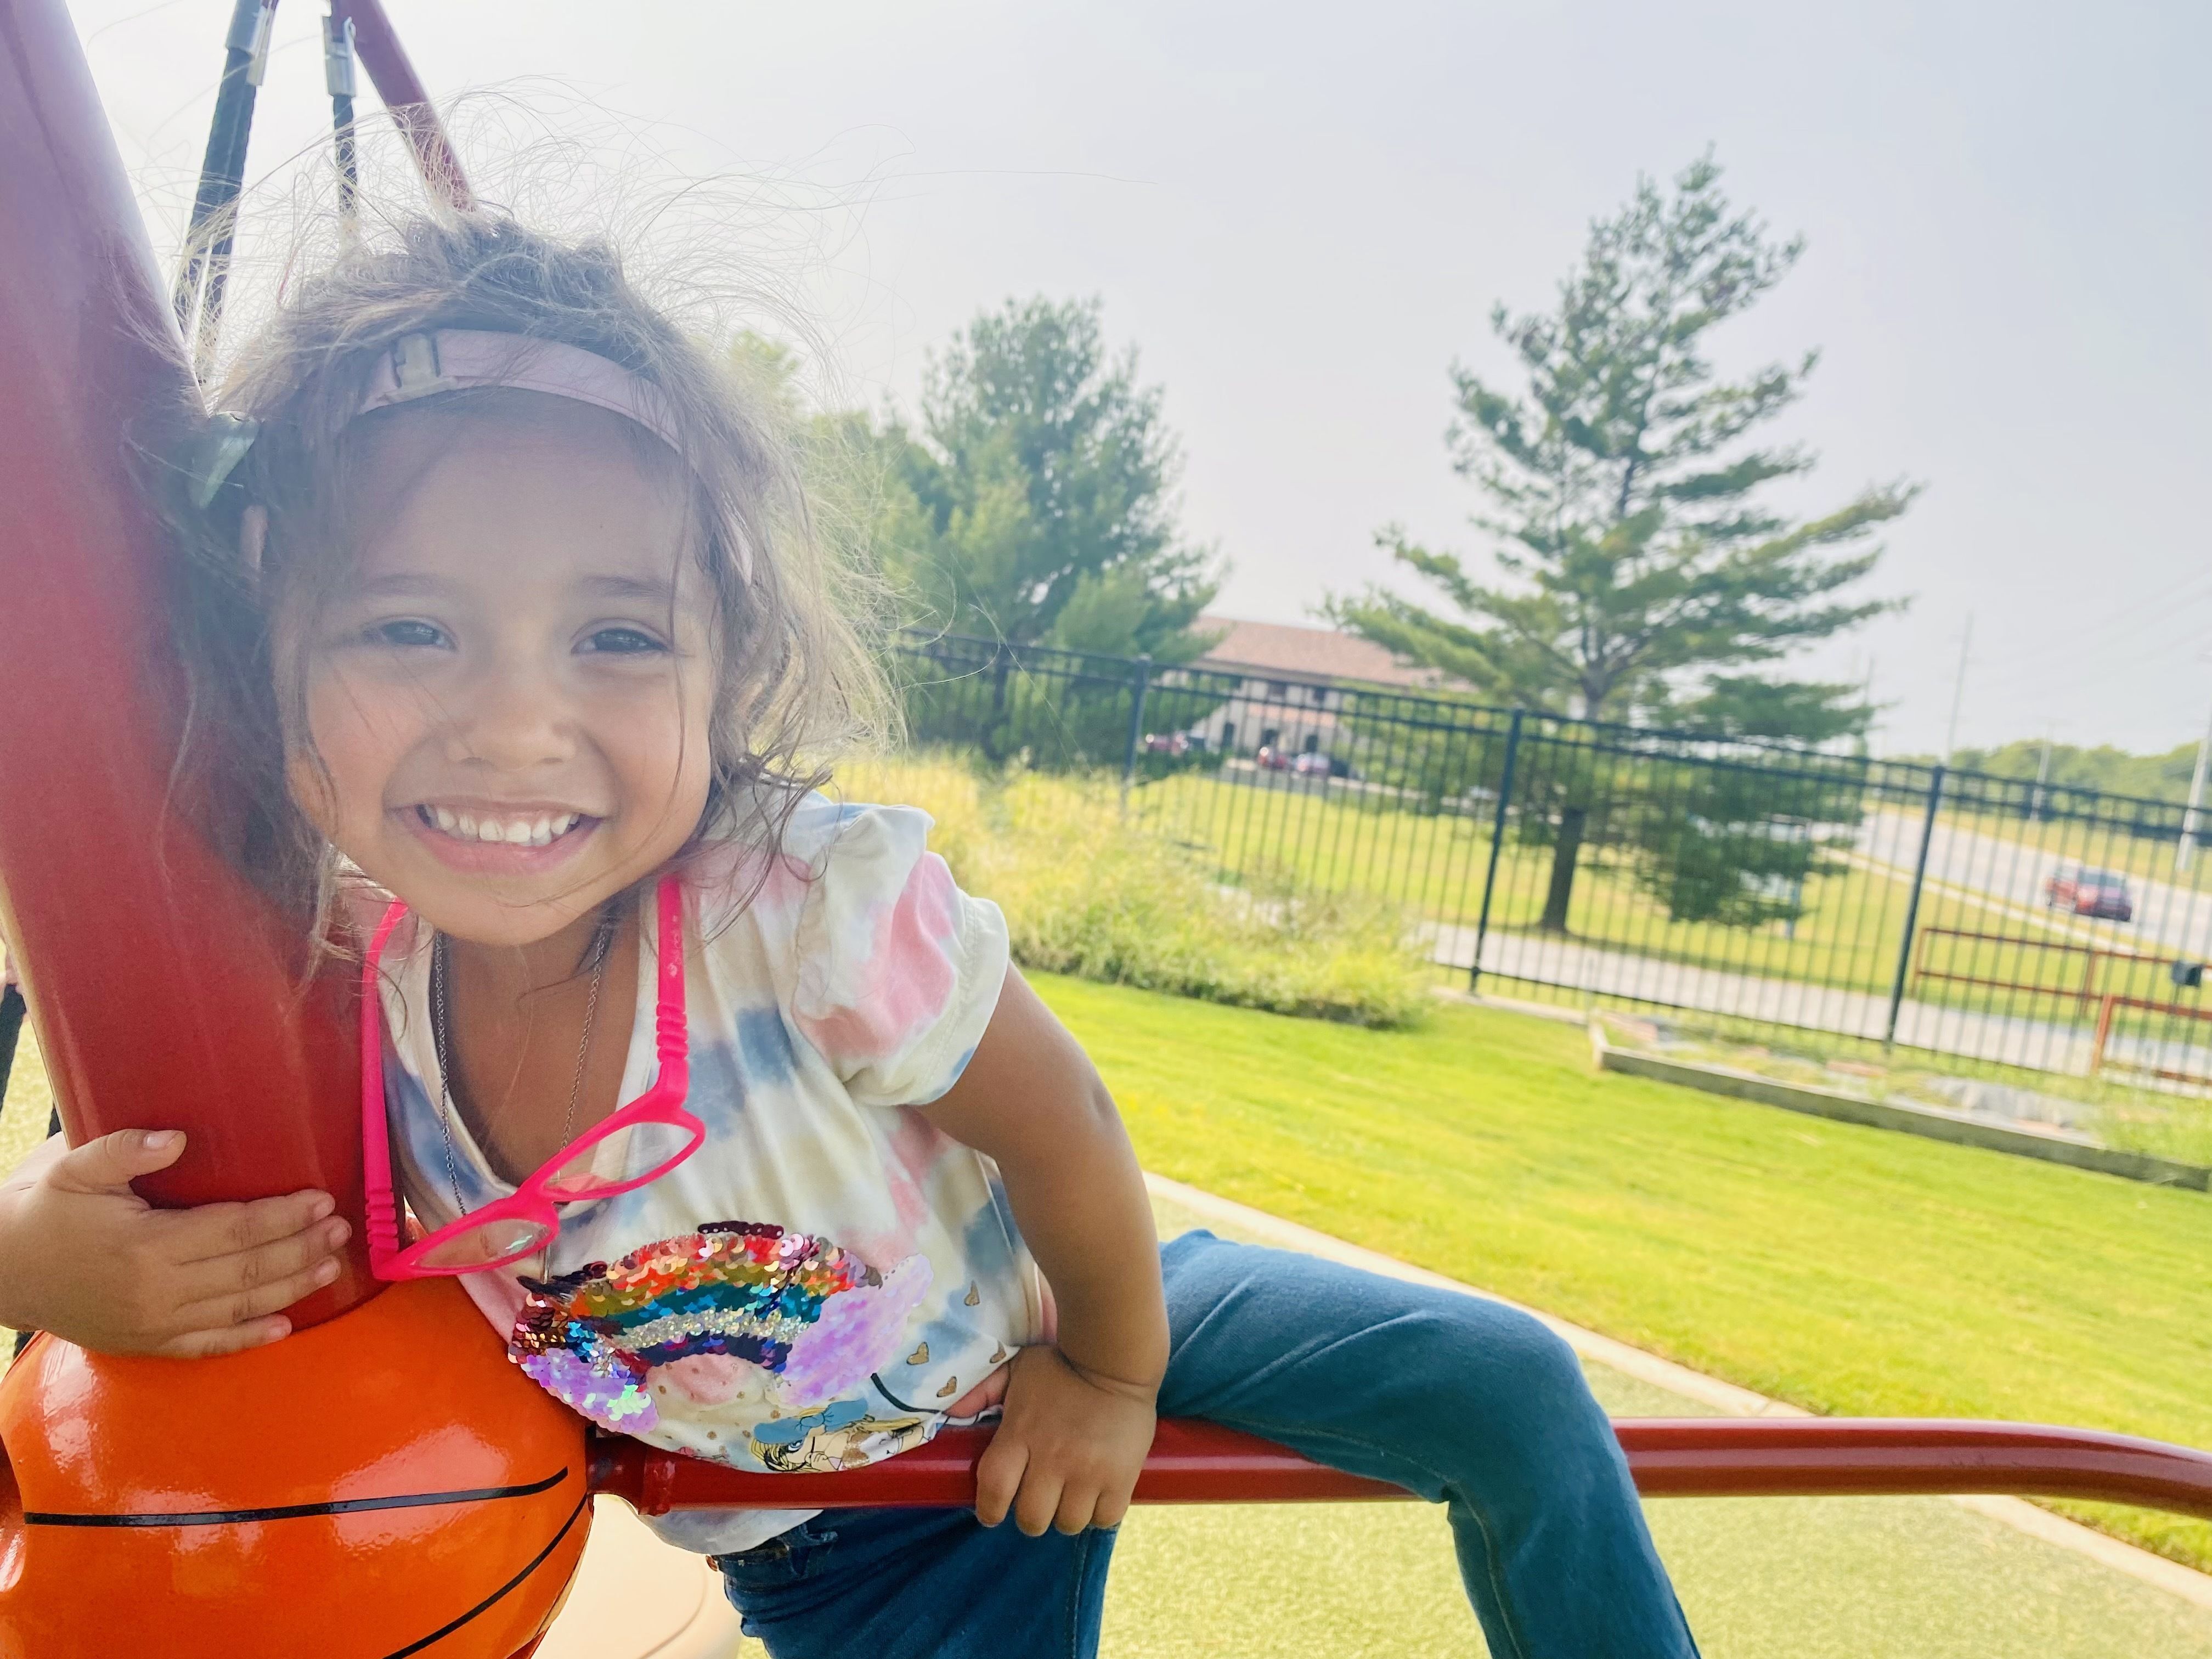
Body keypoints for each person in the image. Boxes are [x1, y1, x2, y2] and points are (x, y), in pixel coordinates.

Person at [0, 213, 1699, 1658]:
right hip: (855, 1539)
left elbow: (1064, 1123)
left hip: (1033, 1324)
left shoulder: (806, 911)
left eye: (612, 636)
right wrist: (25, 1262)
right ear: (270, 664)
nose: (516, 724)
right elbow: (155, 1212)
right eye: (410, 627)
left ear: (730, 670)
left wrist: (1109, 1374)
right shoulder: (328, 987)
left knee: (1509, 1386)